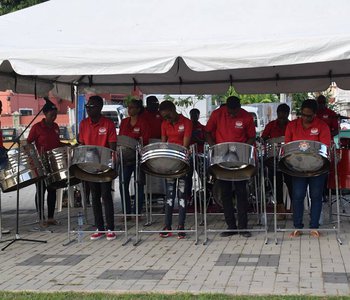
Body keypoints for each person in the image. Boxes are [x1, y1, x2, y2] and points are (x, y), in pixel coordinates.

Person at [205, 96, 256, 238]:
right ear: (226, 107)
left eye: (235, 111)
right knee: (225, 193)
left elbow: (252, 136)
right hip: (221, 158)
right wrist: (213, 147)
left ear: (239, 107)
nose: (232, 114)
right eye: (230, 111)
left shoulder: (246, 117)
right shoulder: (217, 114)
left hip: (240, 160)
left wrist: (244, 150)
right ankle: (231, 226)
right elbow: (207, 131)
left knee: (241, 193)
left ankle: (243, 227)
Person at [285, 99, 331, 238]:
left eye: (309, 115)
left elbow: (324, 148)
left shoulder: (322, 126)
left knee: (316, 196)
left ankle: (314, 227)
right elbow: (288, 147)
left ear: (315, 114)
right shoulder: (292, 125)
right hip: (298, 167)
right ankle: (297, 227)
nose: (306, 118)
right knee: (298, 196)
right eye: (303, 115)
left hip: (317, 167)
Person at [79, 95, 117, 240]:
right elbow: (82, 145)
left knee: (106, 195)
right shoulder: (84, 124)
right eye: (87, 107)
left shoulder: (108, 124)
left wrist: (108, 162)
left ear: (100, 108)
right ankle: (99, 227)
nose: (88, 109)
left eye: (91, 107)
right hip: (89, 165)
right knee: (94, 196)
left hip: (103, 164)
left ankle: (110, 228)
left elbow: (112, 146)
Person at [158, 100, 192, 239]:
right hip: (170, 164)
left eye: (168, 116)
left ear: (173, 110)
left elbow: (185, 146)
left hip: (182, 162)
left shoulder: (186, 123)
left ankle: (181, 226)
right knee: (169, 196)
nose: (167, 119)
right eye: (164, 117)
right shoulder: (164, 124)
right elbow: (163, 144)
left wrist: (179, 157)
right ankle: (167, 225)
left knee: (182, 196)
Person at [27, 102, 63, 226]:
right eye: (52, 115)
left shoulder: (56, 126)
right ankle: (41, 217)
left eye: (55, 115)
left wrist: (68, 146)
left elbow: (57, 143)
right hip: (41, 162)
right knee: (41, 190)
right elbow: (28, 144)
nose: (54, 117)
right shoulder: (36, 127)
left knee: (52, 189)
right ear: (45, 114)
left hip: (53, 162)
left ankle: (51, 217)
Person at [118, 99, 150, 215]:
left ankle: (137, 212)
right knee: (123, 184)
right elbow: (121, 138)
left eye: (132, 107)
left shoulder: (143, 122)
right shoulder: (124, 122)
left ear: (138, 109)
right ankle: (126, 212)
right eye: (128, 107)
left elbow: (145, 140)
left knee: (138, 184)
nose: (129, 109)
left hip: (138, 158)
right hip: (125, 158)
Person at [261, 103, 293, 219]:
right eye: (280, 113)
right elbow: (263, 138)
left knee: (291, 183)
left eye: (285, 114)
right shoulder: (271, 125)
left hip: (289, 158)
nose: (282, 116)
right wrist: (262, 140)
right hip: (273, 159)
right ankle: (280, 209)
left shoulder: (292, 125)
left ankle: (294, 207)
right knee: (276, 183)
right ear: (277, 113)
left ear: (288, 114)